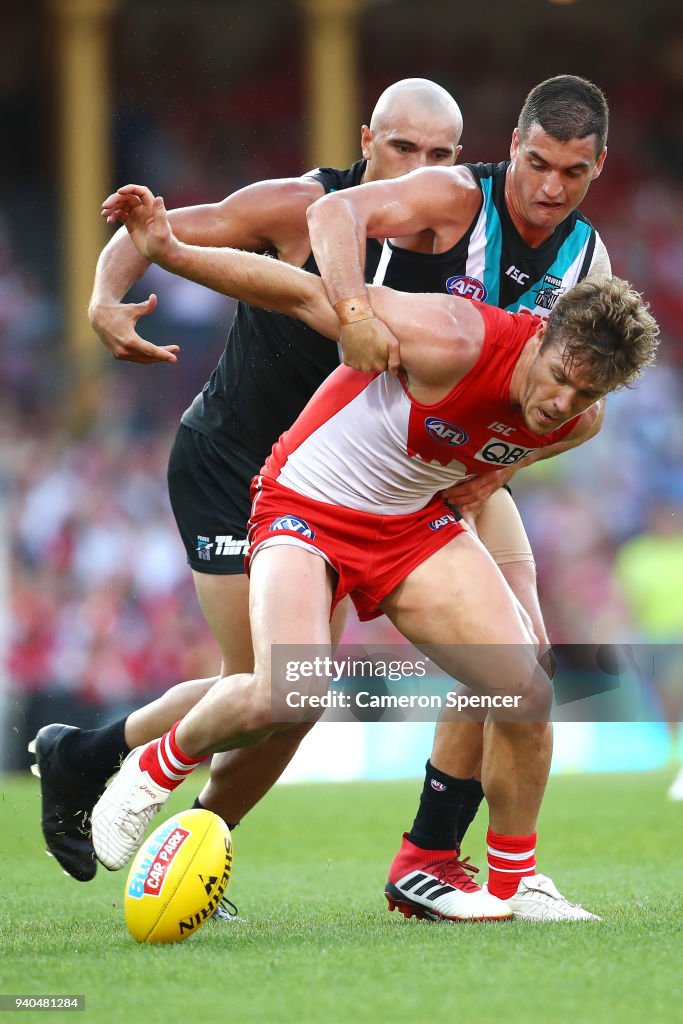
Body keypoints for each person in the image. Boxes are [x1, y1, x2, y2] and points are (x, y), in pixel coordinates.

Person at [90, 183, 658, 922]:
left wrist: (492, 475)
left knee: (525, 688)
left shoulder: (578, 420)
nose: (561, 402)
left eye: (584, 394)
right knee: (288, 692)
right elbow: (298, 293)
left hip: (406, 527)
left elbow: (511, 443)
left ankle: (516, 886)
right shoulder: (453, 336)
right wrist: (169, 251)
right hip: (306, 504)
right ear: (540, 335)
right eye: (557, 378)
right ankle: (153, 768)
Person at [31, 78, 473, 887]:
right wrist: (103, 301)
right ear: (366, 138)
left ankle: (181, 843)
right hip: (231, 465)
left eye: (439, 156)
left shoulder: (457, 232)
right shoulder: (299, 206)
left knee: (289, 706)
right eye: (402, 148)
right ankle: (88, 759)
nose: (418, 169)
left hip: (333, 487)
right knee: (278, 689)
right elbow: (153, 229)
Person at [305, 73, 615, 917]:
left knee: (523, 667)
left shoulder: (588, 260)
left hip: (462, 473)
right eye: (537, 163)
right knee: (277, 690)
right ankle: (113, 758)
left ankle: (448, 860)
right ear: (510, 146)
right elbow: (333, 213)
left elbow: (570, 393)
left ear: (596, 170)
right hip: (371, 459)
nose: (550, 188)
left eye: (573, 172)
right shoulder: (453, 195)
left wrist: (500, 467)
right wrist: (351, 312)